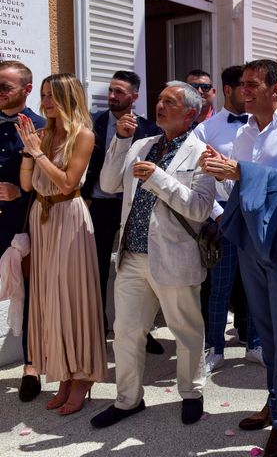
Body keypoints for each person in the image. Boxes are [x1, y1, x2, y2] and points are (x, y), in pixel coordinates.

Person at [200, 59, 277, 457]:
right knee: (265, 332)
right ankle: (273, 402)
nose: (243, 90)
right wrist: (222, 172)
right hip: (250, 240)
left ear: (276, 88)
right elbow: (242, 184)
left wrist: (241, 172)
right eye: (242, 85)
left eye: (252, 84)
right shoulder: (246, 131)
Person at [90, 81, 216, 428]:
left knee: (186, 331)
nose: (159, 105)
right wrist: (120, 141)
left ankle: (191, 393)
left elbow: (201, 209)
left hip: (174, 257)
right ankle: (128, 399)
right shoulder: (141, 144)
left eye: (170, 102)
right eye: (159, 99)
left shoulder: (203, 152)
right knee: (127, 330)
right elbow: (108, 183)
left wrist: (159, 178)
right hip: (131, 256)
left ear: (190, 113)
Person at [16, 73, 107, 415]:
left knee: (72, 297)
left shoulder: (82, 135)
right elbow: (28, 186)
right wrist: (29, 153)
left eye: (52, 96)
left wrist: (38, 153)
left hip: (69, 219)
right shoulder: (44, 134)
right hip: (43, 221)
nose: (46, 102)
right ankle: (65, 375)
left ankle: (82, 376)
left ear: (68, 98)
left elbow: (69, 183)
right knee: (50, 299)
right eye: (43, 95)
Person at [83, 70, 162, 353]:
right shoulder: (92, 122)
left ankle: (144, 330)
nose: (113, 96)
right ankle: (98, 329)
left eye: (120, 92)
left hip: (132, 208)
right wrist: (85, 196)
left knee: (137, 269)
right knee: (98, 268)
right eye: (111, 90)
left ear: (134, 97)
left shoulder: (150, 129)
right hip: (99, 206)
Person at [192, 65, 263, 372]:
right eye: (244, 87)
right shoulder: (205, 130)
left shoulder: (260, 124)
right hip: (221, 214)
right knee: (219, 287)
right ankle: (215, 347)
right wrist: (219, 215)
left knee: (256, 285)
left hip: (255, 214)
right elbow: (199, 178)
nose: (250, 93)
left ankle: (256, 344)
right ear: (228, 90)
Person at [0, 60, 46, 402]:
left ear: (26, 90)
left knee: (30, 298)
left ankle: (31, 368)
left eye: (6, 87)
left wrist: (21, 188)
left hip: (24, 227)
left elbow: (54, 181)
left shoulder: (43, 127)